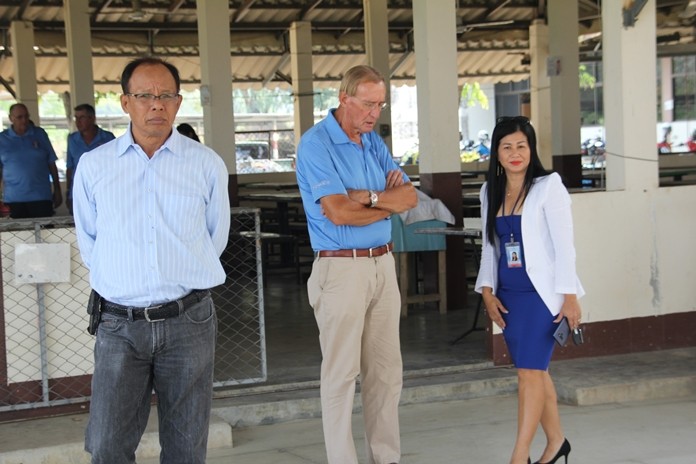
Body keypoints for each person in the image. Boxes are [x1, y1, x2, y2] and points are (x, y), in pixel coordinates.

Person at [72, 57, 231, 464]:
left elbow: (215, 238)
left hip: (189, 322)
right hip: (118, 324)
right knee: (108, 445)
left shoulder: (206, 165)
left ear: (178, 103)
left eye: (165, 96)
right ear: (126, 102)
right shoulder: (94, 166)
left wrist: (175, 274)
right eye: (145, 96)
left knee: (185, 447)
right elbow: (89, 241)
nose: (155, 105)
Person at [295, 65, 417, 464]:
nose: (373, 113)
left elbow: (409, 198)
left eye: (379, 105)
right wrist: (383, 202)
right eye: (367, 104)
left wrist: (369, 198)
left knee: (385, 374)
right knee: (341, 376)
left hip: (383, 266)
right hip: (341, 268)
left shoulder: (372, 142)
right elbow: (339, 213)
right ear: (344, 98)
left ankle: (387, 459)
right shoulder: (316, 145)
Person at [475, 116, 584, 464]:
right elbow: (488, 247)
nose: (515, 153)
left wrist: (569, 297)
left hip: (542, 296)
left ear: (531, 148)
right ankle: (557, 442)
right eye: (506, 146)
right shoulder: (489, 191)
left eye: (521, 145)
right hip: (508, 296)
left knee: (529, 374)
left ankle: (519, 456)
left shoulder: (549, 186)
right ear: (497, 152)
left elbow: (565, 246)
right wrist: (487, 291)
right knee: (536, 372)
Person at [0, 103, 62, 218]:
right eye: (19, 117)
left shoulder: (40, 134)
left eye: (26, 116)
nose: (24, 120)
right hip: (14, 200)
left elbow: (51, 163)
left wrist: (58, 190)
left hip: (41, 198)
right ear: (11, 118)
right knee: (17, 235)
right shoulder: (2, 139)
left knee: (45, 234)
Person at [66, 103, 115, 214]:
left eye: (82, 117)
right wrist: (68, 191)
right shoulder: (72, 139)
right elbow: (70, 166)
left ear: (92, 118)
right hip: (79, 191)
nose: (78, 121)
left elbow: (116, 165)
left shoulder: (108, 137)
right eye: (76, 118)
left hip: (104, 190)